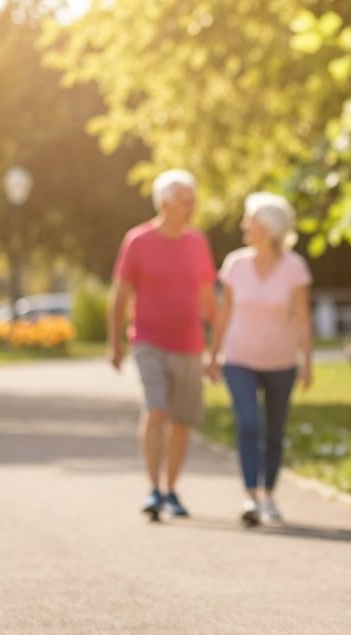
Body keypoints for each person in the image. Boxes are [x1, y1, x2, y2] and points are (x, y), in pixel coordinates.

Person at [109, 169, 217, 522]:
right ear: (165, 203)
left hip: (189, 343)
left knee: (182, 421)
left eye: (193, 201)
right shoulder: (138, 241)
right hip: (148, 340)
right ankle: (153, 488)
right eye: (186, 202)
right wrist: (114, 343)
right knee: (156, 408)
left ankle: (171, 490)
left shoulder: (197, 243)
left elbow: (208, 298)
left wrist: (216, 349)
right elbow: (120, 294)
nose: (192, 207)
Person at [207, 192, 312, 527]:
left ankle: (268, 495)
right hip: (239, 358)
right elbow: (224, 313)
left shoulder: (294, 267)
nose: (243, 225)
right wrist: (214, 355)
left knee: (274, 429)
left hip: (282, 361)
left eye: (248, 220)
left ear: (266, 227)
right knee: (249, 422)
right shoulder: (236, 264)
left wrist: (307, 361)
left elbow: (302, 318)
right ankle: (251, 496)